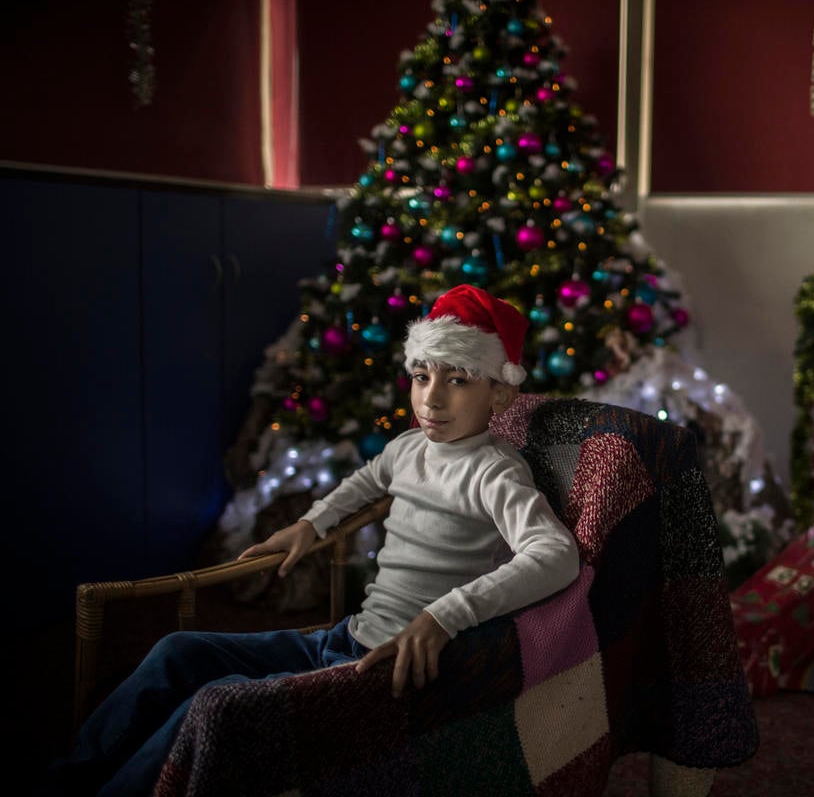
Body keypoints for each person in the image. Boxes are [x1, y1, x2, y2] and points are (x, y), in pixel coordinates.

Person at [48, 284, 581, 796]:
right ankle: (70, 777)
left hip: (385, 670)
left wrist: (446, 615)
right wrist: (313, 524)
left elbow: (554, 555)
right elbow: (366, 482)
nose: (432, 398)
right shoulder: (406, 448)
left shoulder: (494, 472)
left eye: (458, 379)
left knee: (212, 703)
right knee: (175, 652)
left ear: (501, 392)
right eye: (421, 376)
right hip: (345, 638)